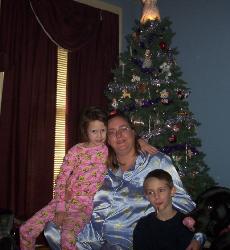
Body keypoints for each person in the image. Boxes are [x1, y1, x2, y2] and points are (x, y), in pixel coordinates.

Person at [44, 111, 204, 250]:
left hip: (134, 241)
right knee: (52, 228)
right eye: (112, 132)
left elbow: (185, 203)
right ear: (106, 138)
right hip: (93, 237)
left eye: (124, 129)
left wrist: (198, 236)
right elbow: (76, 190)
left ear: (134, 132)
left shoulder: (157, 162)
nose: (119, 135)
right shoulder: (99, 165)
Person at [20, 107, 109, 250]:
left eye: (103, 130)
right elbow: (61, 179)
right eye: (94, 131)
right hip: (62, 201)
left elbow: (129, 143)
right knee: (25, 229)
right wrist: (60, 207)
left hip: (83, 208)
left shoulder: (108, 151)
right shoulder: (76, 151)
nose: (99, 135)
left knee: (67, 239)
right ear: (85, 131)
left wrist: (141, 142)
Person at [133, 169, 194, 250]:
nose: (156, 196)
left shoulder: (186, 224)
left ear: (172, 191)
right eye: (151, 192)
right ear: (147, 196)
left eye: (161, 190)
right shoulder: (143, 225)